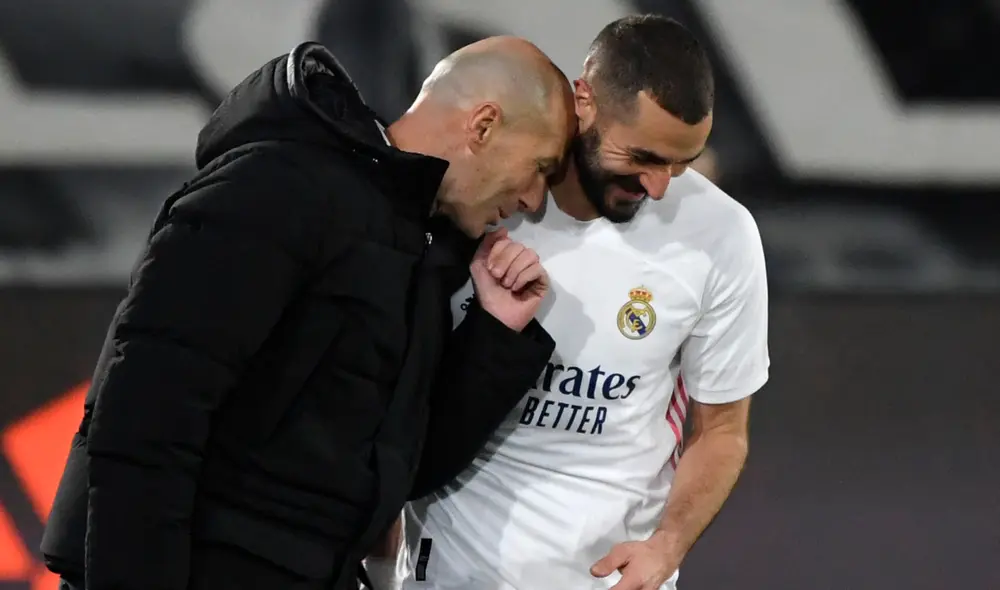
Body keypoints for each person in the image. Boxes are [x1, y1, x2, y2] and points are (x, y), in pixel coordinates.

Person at [40, 36, 575, 590]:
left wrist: (492, 333)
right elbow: (144, 416)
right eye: (540, 168)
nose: (535, 201)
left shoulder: (419, 249)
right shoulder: (275, 186)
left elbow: (404, 468)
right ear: (483, 126)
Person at [379, 15, 769, 590]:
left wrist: (667, 545)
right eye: (642, 155)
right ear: (583, 100)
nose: (659, 185)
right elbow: (390, 402)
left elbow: (722, 431)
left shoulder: (720, 233)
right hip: (447, 576)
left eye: (679, 162)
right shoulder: (477, 199)